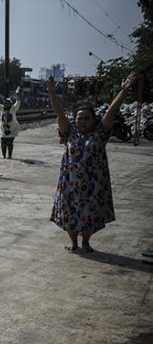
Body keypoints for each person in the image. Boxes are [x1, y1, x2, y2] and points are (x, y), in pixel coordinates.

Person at [48, 72, 136, 253]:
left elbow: (112, 110)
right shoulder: (69, 133)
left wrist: (124, 90)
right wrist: (51, 93)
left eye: (87, 118)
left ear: (94, 120)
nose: (83, 121)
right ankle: (73, 242)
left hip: (93, 185)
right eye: (80, 118)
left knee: (90, 214)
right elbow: (59, 113)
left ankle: (86, 242)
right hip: (70, 186)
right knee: (69, 214)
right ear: (75, 120)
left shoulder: (100, 134)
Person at [0, 85, 21, 158]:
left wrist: (17, 94)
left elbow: (18, 102)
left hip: (12, 129)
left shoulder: (13, 108)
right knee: (3, 142)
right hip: (3, 129)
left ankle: (10, 155)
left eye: (7, 103)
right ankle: (3, 154)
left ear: (10, 103)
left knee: (10, 143)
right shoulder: (1, 108)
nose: (6, 104)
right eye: (5, 103)